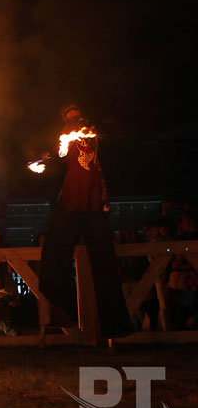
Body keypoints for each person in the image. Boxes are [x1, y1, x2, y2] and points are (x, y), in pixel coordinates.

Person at [38, 103, 134, 340]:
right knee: (53, 256)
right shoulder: (66, 140)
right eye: (69, 119)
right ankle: (63, 311)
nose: (74, 123)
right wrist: (44, 158)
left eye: (77, 117)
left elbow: (115, 139)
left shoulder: (96, 136)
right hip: (70, 203)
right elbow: (56, 155)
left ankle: (114, 327)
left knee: (105, 264)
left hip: (93, 205)